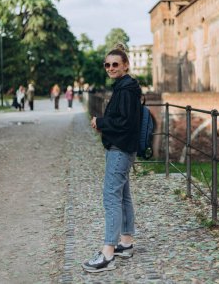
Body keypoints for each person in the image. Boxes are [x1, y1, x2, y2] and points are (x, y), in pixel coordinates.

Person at [82, 44, 142, 273]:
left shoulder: (126, 90)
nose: (110, 68)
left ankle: (108, 252)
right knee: (123, 195)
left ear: (125, 65)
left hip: (120, 149)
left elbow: (125, 124)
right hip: (122, 147)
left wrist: (101, 122)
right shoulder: (126, 87)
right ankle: (125, 243)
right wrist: (104, 124)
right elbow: (124, 120)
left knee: (111, 197)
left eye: (115, 64)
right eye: (107, 64)